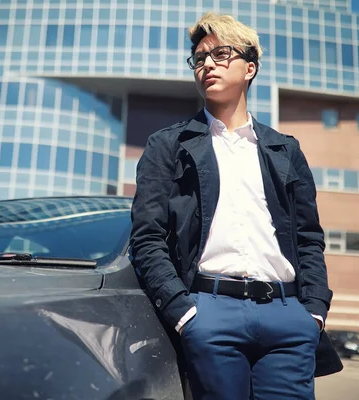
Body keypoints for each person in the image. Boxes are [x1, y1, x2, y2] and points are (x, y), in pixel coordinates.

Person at [129, 11, 343, 400]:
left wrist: (312, 311)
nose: (206, 64)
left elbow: (309, 237)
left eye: (220, 54)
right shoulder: (168, 146)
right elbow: (147, 238)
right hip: (209, 313)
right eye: (199, 58)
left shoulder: (285, 149)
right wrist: (183, 312)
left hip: (288, 315)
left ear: (250, 67)